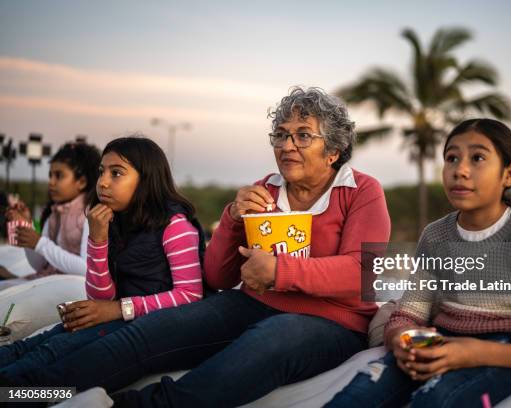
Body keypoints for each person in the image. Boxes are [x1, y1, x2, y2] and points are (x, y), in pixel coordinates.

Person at [8, 87, 391, 408]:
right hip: (251, 302)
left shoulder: (362, 191)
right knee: (144, 335)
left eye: (303, 135)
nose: (287, 145)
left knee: (270, 341)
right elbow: (217, 276)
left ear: (334, 151)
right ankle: (24, 391)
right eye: (281, 134)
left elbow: (363, 271)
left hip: (332, 324)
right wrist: (232, 219)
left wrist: (279, 271)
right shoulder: (267, 188)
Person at [325, 119, 511, 407]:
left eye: (478, 158)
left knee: (437, 399)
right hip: (441, 340)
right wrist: (401, 340)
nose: (460, 170)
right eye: (451, 158)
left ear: (509, 174)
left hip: (505, 349)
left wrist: (473, 353)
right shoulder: (435, 235)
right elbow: (408, 313)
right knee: (358, 395)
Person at [0, 137, 205, 378]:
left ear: (146, 180)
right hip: (122, 318)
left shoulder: (175, 226)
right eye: (101, 172)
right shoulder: (112, 221)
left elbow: (190, 296)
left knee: (49, 356)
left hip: (154, 328)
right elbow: (100, 297)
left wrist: (119, 308)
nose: (103, 183)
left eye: (116, 173)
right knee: (33, 345)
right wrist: (98, 240)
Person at [1, 142, 100, 285]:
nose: (51, 182)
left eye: (59, 176)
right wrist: (28, 229)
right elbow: (40, 265)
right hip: (47, 281)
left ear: (82, 182)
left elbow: (87, 268)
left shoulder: (89, 216)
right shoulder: (54, 215)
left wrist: (40, 243)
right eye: (50, 175)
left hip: (72, 290)